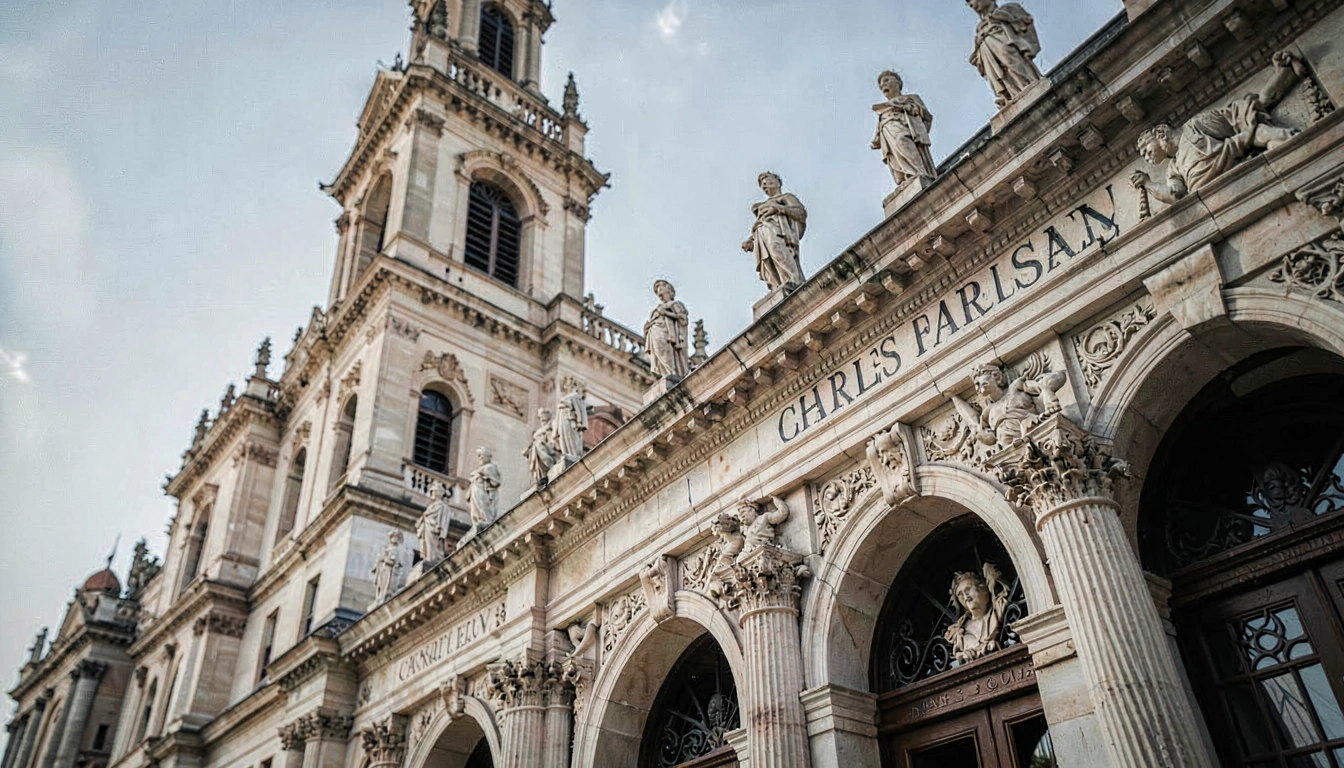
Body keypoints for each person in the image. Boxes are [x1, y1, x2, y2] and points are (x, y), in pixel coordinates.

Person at [1132, 51, 1305, 202]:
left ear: (1161, 133)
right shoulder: (1173, 168)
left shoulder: (1196, 126)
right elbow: (1175, 195)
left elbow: (1240, 117)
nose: (1147, 158)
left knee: (1255, 128)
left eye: (1147, 151)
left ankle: (1285, 71)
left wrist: (1280, 76)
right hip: (1213, 195)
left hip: (1229, 158)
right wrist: (1148, 184)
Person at [967, 0, 1042, 107]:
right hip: (990, 55)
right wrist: (980, 40)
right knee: (1001, 75)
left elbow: (1024, 22)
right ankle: (1009, 96)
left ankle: (1028, 84)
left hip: (1007, 47)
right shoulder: (980, 27)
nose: (971, 4)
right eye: (969, 3)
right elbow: (976, 57)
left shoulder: (1008, 9)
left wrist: (1001, 19)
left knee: (1012, 62)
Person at [741, 172, 807, 292]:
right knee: (767, 261)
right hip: (761, 232)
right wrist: (751, 240)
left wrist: (778, 208)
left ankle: (794, 280)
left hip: (778, 231)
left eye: (767, 179)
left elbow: (801, 214)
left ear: (777, 181)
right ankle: (777, 285)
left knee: (777, 251)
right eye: (762, 184)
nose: (764, 184)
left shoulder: (786, 197)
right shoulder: (762, 205)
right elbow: (761, 220)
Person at [871, 70, 937, 188]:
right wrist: (876, 139)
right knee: (894, 157)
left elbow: (926, 116)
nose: (883, 86)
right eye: (881, 85)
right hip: (888, 132)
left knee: (902, 141)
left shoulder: (911, 98)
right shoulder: (883, 109)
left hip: (905, 128)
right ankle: (906, 179)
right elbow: (880, 126)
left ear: (898, 82)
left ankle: (918, 172)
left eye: (886, 81)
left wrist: (907, 108)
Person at [943, 563, 1010, 664]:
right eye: (960, 595)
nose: (966, 597)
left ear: (984, 589)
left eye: (968, 590)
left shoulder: (998, 611)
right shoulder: (960, 633)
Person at [643, 280, 689, 379]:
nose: (659, 294)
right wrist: (647, 328)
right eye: (658, 293)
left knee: (666, 353)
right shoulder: (657, 308)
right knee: (659, 355)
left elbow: (683, 319)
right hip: (655, 332)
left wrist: (665, 313)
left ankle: (671, 372)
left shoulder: (675, 304)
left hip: (667, 334)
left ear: (668, 290)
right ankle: (665, 374)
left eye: (661, 291)